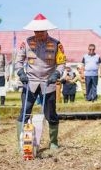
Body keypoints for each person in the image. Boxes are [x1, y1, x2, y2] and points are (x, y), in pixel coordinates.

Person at [15, 13, 66, 150]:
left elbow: (61, 64)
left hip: (48, 83)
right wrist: (21, 73)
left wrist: (56, 74)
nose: (38, 34)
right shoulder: (26, 42)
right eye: (36, 31)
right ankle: (21, 144)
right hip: (29, 82)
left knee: (51, 114)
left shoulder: (56, 44)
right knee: (25, 111)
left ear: (46, 30)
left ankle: (54, 142)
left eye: (41, 32)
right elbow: (18, 62)